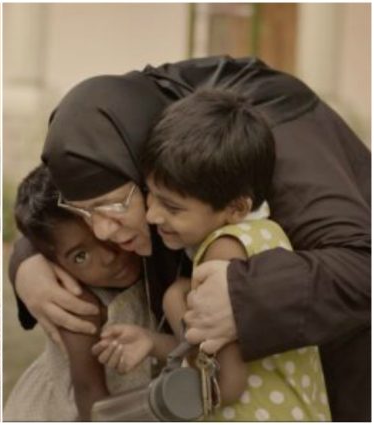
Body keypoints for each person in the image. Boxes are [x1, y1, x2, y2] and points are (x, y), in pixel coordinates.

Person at [10, 57, 370, 421]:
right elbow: (61, 194)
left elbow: (362, 266)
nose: (102, 232)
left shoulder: (269, 142)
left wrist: (242, 297)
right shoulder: (136, 123)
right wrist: (27, 261)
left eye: (115, 205)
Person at [97, 89, 330, 421]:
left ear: (236, 208)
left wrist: (175, 300)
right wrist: (152, 342)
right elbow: (217, 351)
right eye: (151, 196)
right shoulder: (267, 233)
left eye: (173, 207)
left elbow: (227, 384)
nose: (152, 216)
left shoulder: (224, 250)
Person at [4, 164, 151, 421]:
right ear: (56, 265)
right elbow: (88, 392)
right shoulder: (81, 305)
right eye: (81, 256)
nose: (107, 256)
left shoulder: (149, 254)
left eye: (102, 235)